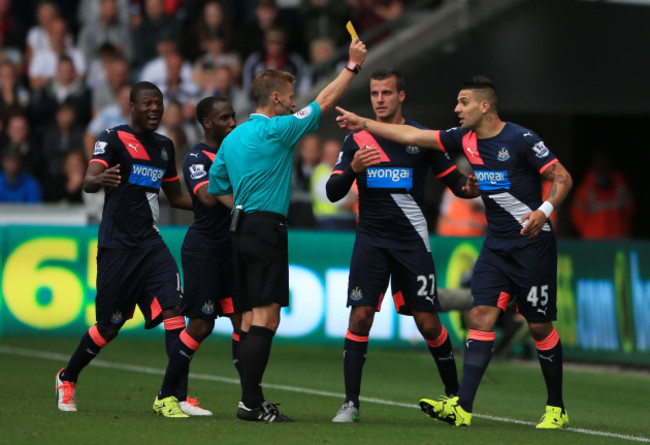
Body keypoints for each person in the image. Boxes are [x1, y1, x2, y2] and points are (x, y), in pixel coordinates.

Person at [335, 75, 573, 429]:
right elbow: (412, 135)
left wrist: (544, 212)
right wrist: (363, 123)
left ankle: (557, 407)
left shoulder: (522, 138)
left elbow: (563, 177)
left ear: (485, 106)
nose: (456, 109)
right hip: (495, 246)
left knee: (539, 326)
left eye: (463, 103)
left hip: (532, 243)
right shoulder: (462, 138)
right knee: (479, 316)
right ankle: (462, 406)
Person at [207, 37, 367, 423]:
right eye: (291, 94)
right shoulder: (278, 129)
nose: (296, 99)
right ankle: (249, 403)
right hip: (265, 229)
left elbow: (216, 187)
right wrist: (351, 66)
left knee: (246, 319)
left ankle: (252, 400)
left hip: (239, 228)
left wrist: (244, 204)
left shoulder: (233, 138)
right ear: (276, 99)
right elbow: (325, 102)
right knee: (268, 318)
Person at [327, 67, 479, 422]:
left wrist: (474, 186)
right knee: (361, 316)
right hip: (371, 243)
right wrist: (352, 169)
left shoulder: (422, 138)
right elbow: (332, 192)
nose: (380, 100)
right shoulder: (356, 141)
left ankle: (456, 399)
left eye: (386, 94)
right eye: (375, 94)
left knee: (428, 324)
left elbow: (457, 184)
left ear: (401, 96)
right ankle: (350, 403)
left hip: (412, 244)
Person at [55, 81, 196, 418]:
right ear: (131, 106)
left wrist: (214, 205)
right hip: (117, 247)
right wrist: (96, 180)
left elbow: (175, 196)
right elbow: (90, 179)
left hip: (151, 244)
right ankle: (67, 376)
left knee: (175, 311)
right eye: (147, 103)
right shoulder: (113, 138)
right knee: (109, 326)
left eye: (158, 103)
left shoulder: (164, 147)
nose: (154, 109)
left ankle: (176, 396)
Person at [155, 96, 241, 416]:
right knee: (201, 325)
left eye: (233, 116)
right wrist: (242, 202)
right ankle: (167, 396)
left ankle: (251, 399)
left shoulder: (234, 151)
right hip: (204, 251)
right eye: (224, 118)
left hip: (231, 252)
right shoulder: (196, 156)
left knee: (242, 322)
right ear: (208, 123)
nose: (232, 122)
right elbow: (205, 197)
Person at [570, 151, 634, 239]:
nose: (602, 168)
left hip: (619, 238)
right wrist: (590, 232)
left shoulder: (620, 186)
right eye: (599, 165)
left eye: (604, 164)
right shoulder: (585, 190)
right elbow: (577, 217)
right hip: (594, 241)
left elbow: (629, 211)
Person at [311, 137, 357, 231]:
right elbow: (346, 203)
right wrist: (357, 196)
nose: (336, 158)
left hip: (342, 221)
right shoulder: (322, 174)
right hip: (330, 223)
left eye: (337, 154)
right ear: (323, 155)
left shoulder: (337, 171)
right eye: (331, 154)